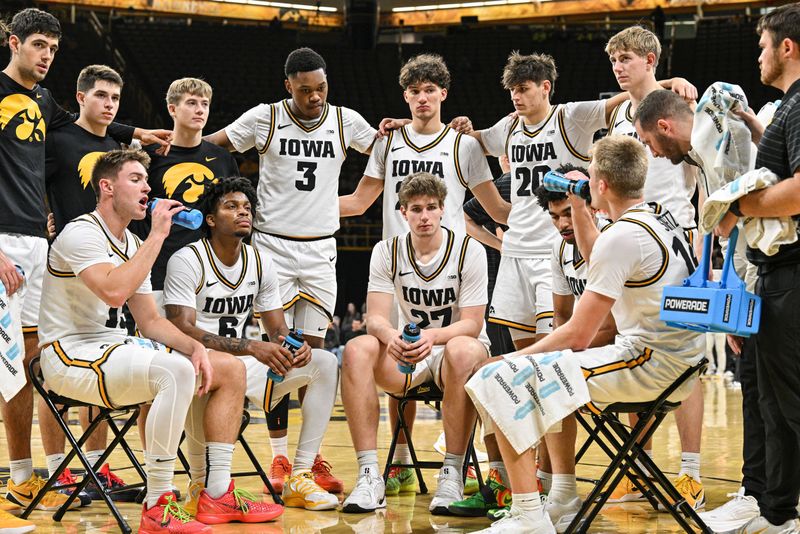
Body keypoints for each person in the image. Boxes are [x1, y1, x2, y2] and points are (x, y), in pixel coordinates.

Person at [465, 136, 704, 533]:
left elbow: (577, 334)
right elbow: (601, 257)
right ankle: (558, 493)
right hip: (681, 361)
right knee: (530, 376)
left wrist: (513, 358)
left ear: (603, 185)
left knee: (501, 379)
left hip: (649, 364)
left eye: (590, 175)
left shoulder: (622, 236)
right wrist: (579, 203)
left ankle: (529, 517)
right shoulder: (659, 215)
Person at [38, 149, 283, 532]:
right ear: (106, 187)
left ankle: (216, 492)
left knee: (228, 367)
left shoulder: (134, 245)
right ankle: (158, 503)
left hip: (113, 350)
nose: (147, 187)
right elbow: (114, 292)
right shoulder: (80, 232)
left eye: (146, 180)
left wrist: (196, 346)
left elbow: (150, 320)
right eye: (135, 179)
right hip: (68, 354)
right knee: (173, 372)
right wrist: (157, 234)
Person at [0, 9, 169, 523]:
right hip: (4, 240)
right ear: (13, 43)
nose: (47, 55)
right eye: (38, 46)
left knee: (33, 358)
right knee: (10, 366)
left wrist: (137, 129)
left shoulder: (42, 99)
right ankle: (22, 478)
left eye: (52, 46)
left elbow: (88, 127)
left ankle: (51, 472)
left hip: (35, 241)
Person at [339, 53, 508, 499]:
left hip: (453, 266)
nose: (422, 98)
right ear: (405, 96)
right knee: (391, 351)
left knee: (459, 353)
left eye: (430, 90)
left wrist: (542, 224)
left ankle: (459, 469)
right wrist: (285, 213)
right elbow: (357, 203)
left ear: (444, 94)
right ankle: (393, 465)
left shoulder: (464, 145)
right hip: (397, 265)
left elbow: (495, 208)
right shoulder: (388, 141)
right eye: (414, 91)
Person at [206, 47, 375, 492]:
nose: (315, 97)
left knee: (314, 355)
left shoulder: (345, 120)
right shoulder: (265, 117)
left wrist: (360, 198)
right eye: (305, 91)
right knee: (279, 351)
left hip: (321, 250)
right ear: (288, 87)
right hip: (272, 247)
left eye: (321, 88)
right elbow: (211, 146)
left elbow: (388, 148)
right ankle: (279, 459)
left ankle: (310, 459)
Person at [164, 176, 340, 512]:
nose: (243, 212)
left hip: (243, 363)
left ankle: (299, 475)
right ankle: (203, 483)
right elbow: (183, 328)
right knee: (220, 366)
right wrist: (249, 347)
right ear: (211, 219)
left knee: (324, 362)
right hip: (194, 362)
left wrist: (293, 346)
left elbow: (276, 330)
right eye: (232, 206)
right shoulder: (187, 259)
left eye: (247, 207)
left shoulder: (261, 262)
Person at [340, 172, 490, 515]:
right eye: (416, 209)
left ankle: (452, 472)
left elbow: (472, 322)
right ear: (402, 212)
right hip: (411, 350)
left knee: (461, 348)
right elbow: (375, 316)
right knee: (356, 348)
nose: (424, 216)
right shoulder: (386, 251)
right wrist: (391, 337)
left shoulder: (469, 250)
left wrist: (433, 336)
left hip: (456, 350)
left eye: (432, 208)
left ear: (442, 210)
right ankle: (368, 475)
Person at [602, 26, 706, 510]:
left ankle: (690, 474)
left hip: (679, 245)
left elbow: (703, 178)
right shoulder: (620, 114)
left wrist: (706, 252)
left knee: (687, 361)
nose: (619, 67)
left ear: (650, 59)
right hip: (630, 247)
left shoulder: (681, 104)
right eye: (614, 60)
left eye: (626, 58)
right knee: (632, 348)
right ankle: (636, 470)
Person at [706, 5, 800, 533]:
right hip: (770, 276)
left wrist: (738, 206)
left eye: (764, 44)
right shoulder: (787, 108)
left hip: (793, 274)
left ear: (787, 47)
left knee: (792, 403)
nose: (758, 54)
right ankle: (777, 513)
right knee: (772, 405)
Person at [43, 63, 139, 504]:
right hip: (64, 261)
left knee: (102, 358)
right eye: (101, 95)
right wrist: (40, 215)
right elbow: (28, 175)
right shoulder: (58, 136)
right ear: (80, 98)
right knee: (52, 376)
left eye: (115, 98)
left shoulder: (117, 145)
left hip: (106, 260)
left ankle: (97, 468)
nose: (108, 104)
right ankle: (55, 470)